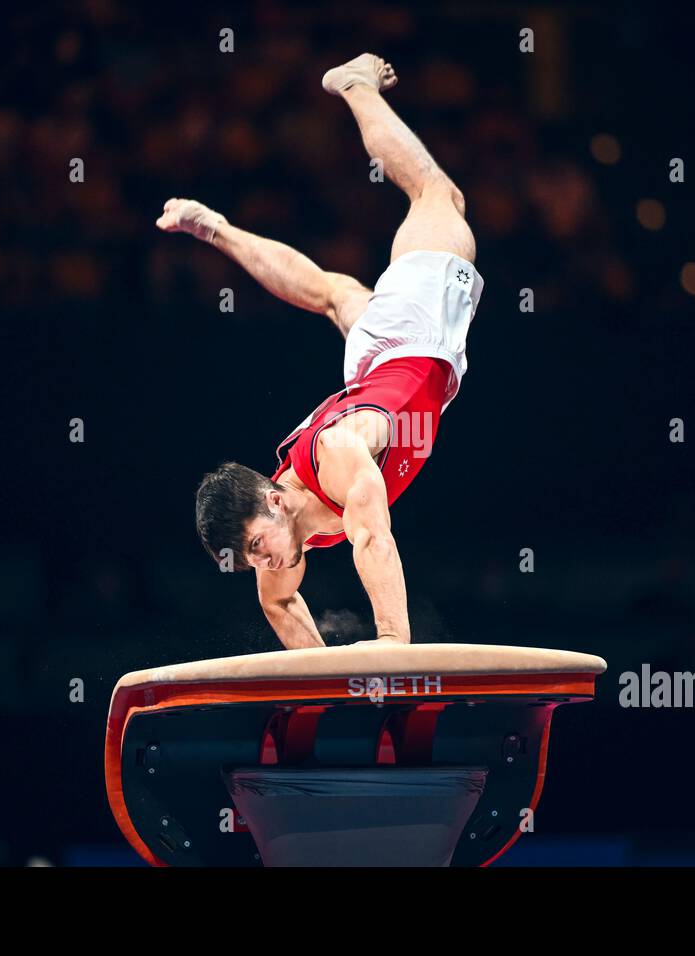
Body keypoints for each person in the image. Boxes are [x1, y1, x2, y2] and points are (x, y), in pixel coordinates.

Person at [159, 54, 483, 650]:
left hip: (412, 336)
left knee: (439, 197)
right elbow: (281, 607)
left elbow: (372, 538)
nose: (264, 565)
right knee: (333, 296)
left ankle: (353, 84)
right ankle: (217, 228)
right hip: (370, 367)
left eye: (257, 547)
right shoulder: (278, 539)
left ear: (275, 500)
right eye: (249, 561)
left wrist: (391, 646)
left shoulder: (337, 457)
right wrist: (321, 679)